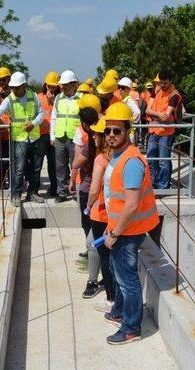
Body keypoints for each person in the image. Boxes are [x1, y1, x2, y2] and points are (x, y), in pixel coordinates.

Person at [102, 101, 159, 345]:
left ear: (128, 131)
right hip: (120, 227)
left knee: (128, 280)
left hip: (128, 230)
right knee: (120, 273)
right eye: (108, 131)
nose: (112, 135)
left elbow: (132, 204)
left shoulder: (131, 162)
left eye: (117, 131)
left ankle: (131, 328)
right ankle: (120, 313)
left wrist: (114, 232)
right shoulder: (119, 156)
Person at [0, 72, 45, 207]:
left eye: (16, 87)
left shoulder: (33, 96)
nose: (13, 90)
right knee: (19, 168)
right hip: (19, 138)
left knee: (36, 168)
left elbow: (41, 113)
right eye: (12, 88)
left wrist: (33, 123)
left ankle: (33, 193)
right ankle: (16, 195)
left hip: (34, 137)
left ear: (24, 86)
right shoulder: (9, 99)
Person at [71, 94, 102, 298]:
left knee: (93, 239)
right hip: (91, 192)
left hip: (94, 196)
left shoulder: (93, 143)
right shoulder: (95, 138)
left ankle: (93, 281)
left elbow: (75, 162)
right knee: (93, 236)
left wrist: (89, 203)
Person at [85, 118, 115, 313]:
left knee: (104, 256)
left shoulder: (100, 159)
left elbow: (94, 189)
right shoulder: (117, 157)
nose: (94, 137)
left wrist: (88, 206)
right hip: (115, 215)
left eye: (97, 134)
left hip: (100, 215)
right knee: (114, 257)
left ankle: (111, 299)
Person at [146, 69, 183, 189]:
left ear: (170, 81)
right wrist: (157, 114)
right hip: (153, 130)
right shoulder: (157, 90)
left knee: (163, 161)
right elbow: (147, 110)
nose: (162, 85)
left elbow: (167, 116)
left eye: (165, 83)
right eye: (160, 83)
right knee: (151, 159)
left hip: (166, 132)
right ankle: (154, 183)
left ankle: (162, 187)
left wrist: (153, 115)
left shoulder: (174, 95)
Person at [50, 69, 81, 203]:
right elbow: (54, 118)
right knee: (60, 167)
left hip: (76, 139)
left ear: (74, 84)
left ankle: (76, 191)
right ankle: (62, 192)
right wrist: (52, 136)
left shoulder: (82, 99)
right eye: (62, 85)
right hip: (60, 138)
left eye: (65, 84)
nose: (62, 87)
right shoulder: (58, 98)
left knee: (76, 166)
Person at [37, 71, 60, 197]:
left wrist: (52, 102)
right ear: (45, 84)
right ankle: (34, 188)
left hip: (53, 136)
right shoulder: (39, 97)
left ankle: (54, 188)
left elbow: (57, 117)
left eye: (53, 86)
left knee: (53, 164)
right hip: (40, 135)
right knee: (37, 164)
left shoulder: (59, 99)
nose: (50, 88)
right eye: (49, 86)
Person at [116, 77, 141, 143]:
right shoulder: (124, 99)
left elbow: (137, 112)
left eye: (123, 88)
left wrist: (130, 123)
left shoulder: (129, 100)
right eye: (119, 87)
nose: (120, 89)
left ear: (128, 89)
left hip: (129, 133)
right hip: (125, 131)